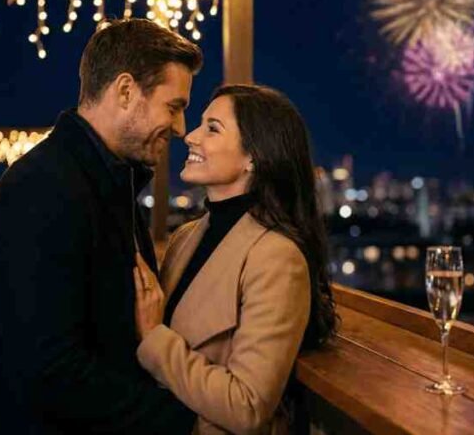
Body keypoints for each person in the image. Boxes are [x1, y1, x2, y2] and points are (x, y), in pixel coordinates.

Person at [0, 19, 203, 434]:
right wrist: (187, 421)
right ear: (126, 90)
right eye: (175, 106)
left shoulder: (106, 182)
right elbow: (50, 373)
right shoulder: (41, 191)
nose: (182, 129)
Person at [133, 84, 339, 434]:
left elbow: (247, 406)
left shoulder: (277, 257)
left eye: (212, 128)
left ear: (253, 157)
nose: (191, 137)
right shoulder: (186, 238)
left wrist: (153, 337)